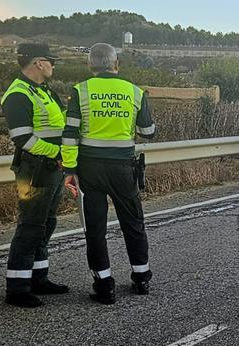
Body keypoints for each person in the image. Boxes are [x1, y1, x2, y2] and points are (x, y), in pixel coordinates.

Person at [61, 43, 156, 304]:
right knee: (133, 223)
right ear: (116, 65)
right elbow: (148, 132)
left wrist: (70, 169)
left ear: (90, 66)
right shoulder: (134, 92)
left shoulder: (80, 91)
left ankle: (104, 285)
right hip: (124, 169)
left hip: (90, 169)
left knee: (95, 227)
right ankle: (141, 278)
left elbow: (69, 135)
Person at [0, 43, 68, 308]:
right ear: (39, 62)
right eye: (51, 61)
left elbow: (59, 125)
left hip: (51, 167)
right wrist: (57, 153)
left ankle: (38, 277)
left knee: (46, 223)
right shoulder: (17, 94)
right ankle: (17, 288)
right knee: (30, 225)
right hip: (33, 169)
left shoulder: (44, 91)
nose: (54, 65)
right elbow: (22, 139)